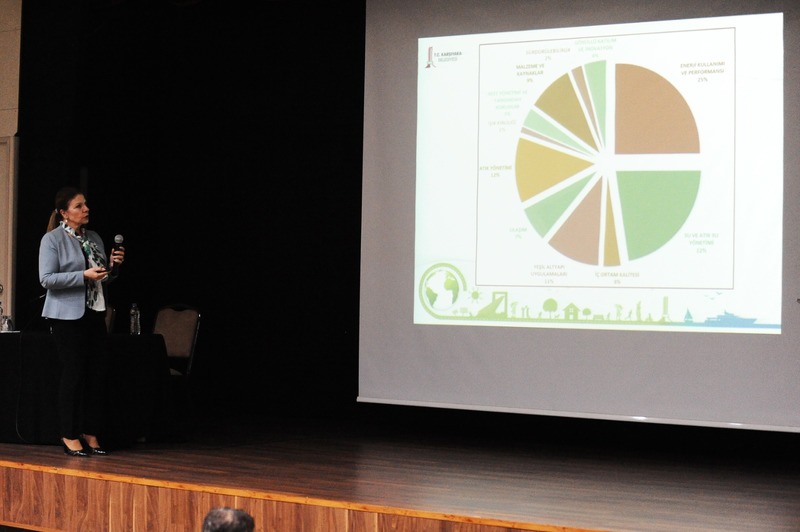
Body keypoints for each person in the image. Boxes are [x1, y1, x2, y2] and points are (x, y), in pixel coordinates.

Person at [38, 186, 125, 457]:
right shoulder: (52, 240)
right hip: (66, 317)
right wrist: (82, 275)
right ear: (64, 213)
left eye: (85, 204)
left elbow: (104, 278)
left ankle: (90, 431)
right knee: (73, 374)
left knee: (97, 375)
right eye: (78, 206)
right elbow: (46, 279)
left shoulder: (94, 237)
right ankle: (68, 434)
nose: (86, 209)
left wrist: (113, 267)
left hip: (95, 313)